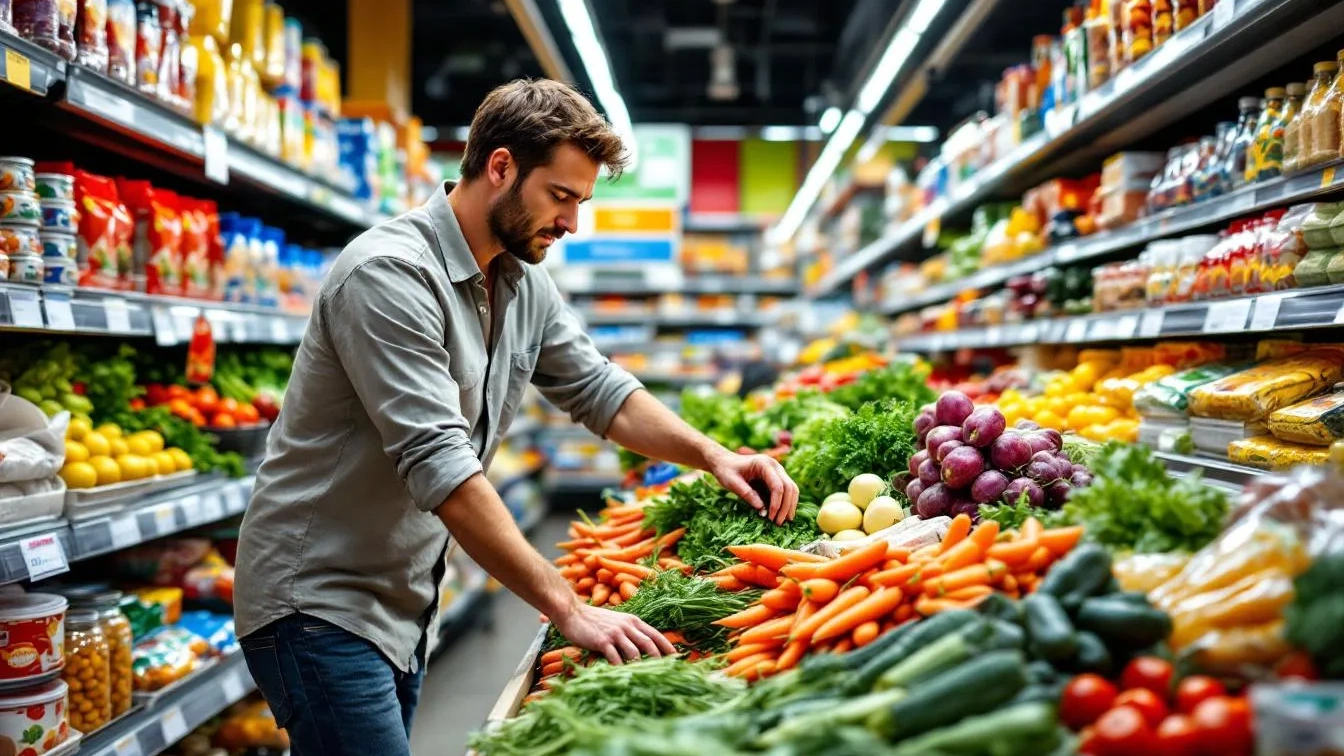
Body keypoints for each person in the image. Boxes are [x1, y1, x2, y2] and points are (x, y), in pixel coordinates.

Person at [233, 78, 801, 756]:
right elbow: (440, 464)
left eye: (580, 202)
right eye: (560, 196)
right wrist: (567, 608)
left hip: (403, 598)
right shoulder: (387, 276)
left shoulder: (522, 280)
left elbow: (598, 388)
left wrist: (715, 455)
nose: (571, 223)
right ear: (500, 167)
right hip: (317, 599)